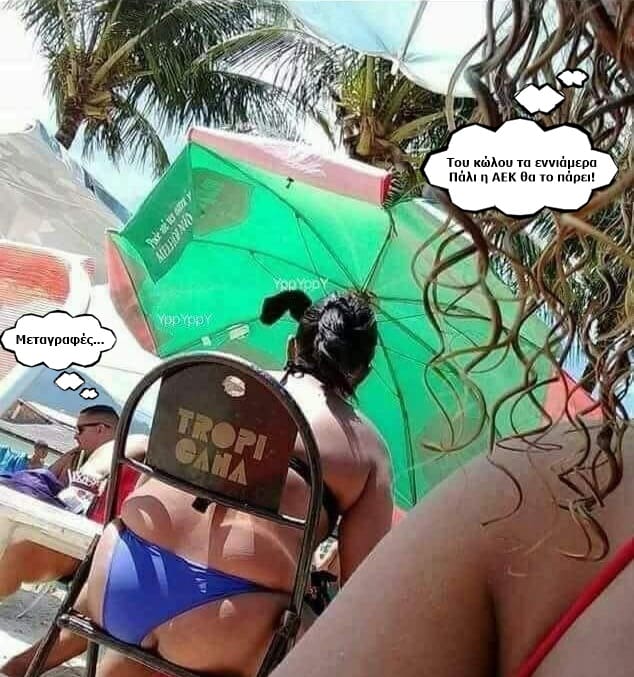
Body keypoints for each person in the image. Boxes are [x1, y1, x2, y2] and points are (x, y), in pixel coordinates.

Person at [36, 290, 392, 677]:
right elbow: (363, 587)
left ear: (292, 345)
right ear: (363, 372)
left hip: (116, 580)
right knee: (335, 651)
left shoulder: (218, 381)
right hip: (224, 626)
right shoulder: (367, 448)